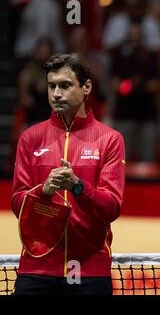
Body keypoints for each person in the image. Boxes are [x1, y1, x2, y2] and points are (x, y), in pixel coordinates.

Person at [11, 53, 126, 295]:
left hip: (89, 272)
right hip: (37, 270)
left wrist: (78, 186)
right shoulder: (30, 138)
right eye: (51, 86)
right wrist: (43, 191)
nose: (56, 94)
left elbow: (112, 208)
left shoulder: (110, 140)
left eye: (65, 85)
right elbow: (16, 203)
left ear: (86, 87)